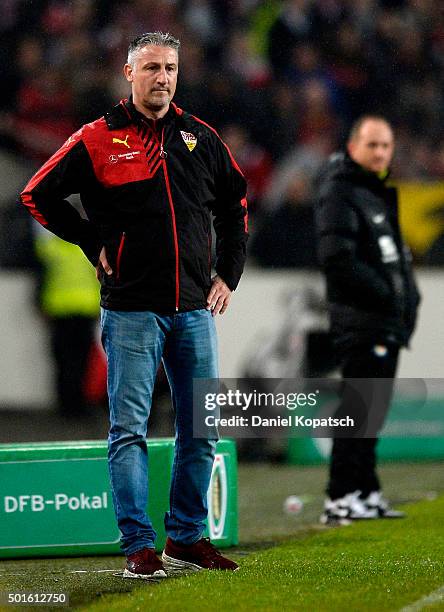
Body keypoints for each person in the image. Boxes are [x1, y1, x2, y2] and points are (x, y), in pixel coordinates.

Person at [20, 31, 248, 577]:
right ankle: (139, 547)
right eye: (151, 68)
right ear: (129, 73)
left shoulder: (199, 137)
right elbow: (37, 193)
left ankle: (187, 538)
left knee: (202, 429)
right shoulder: (98, 138)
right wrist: (89, 240)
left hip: (194, 308)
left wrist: (228, 276)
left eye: (170, 68)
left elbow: (235, 204)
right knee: (129, 429)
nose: (162, 77)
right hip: (130, 310)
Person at [315, 115, 420, 525]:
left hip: (384, 321)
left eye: (386, 146)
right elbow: (338, 260)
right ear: (353, 145)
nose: (380, 153)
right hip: (361, 321)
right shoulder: (341, 192)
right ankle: (340, 496)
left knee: (371, 410)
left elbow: (392, 260)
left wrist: (405, 300)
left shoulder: (374, 193)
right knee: (358, 408)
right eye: (372, 145)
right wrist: (388, 295)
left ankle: (365, 490)